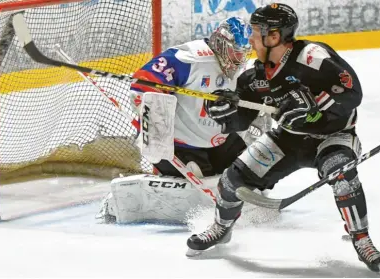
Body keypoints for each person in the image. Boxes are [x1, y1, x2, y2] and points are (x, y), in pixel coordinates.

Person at [185, 3, 380, 275]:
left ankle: (362, 241)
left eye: (257, 32)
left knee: (342, 175)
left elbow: (352, 92)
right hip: (287, 139)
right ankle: (221, 229)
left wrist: (316, 106)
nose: (251, 38)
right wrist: (224, 114)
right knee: (231, 180)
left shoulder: (312, 56)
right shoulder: (254, 77)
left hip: (333, 136)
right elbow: (242, 120)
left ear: (275, 36)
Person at [96, 17, 271, 224]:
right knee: (197, 178)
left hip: (220, 139)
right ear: (221, 43)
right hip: (180, 143)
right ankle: (114, 203)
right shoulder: (189, 58)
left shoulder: (242, 66)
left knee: (254, 164)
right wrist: (156, 125)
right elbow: (141, 87)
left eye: (243, 53)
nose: (239, 59)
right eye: (235, 52)